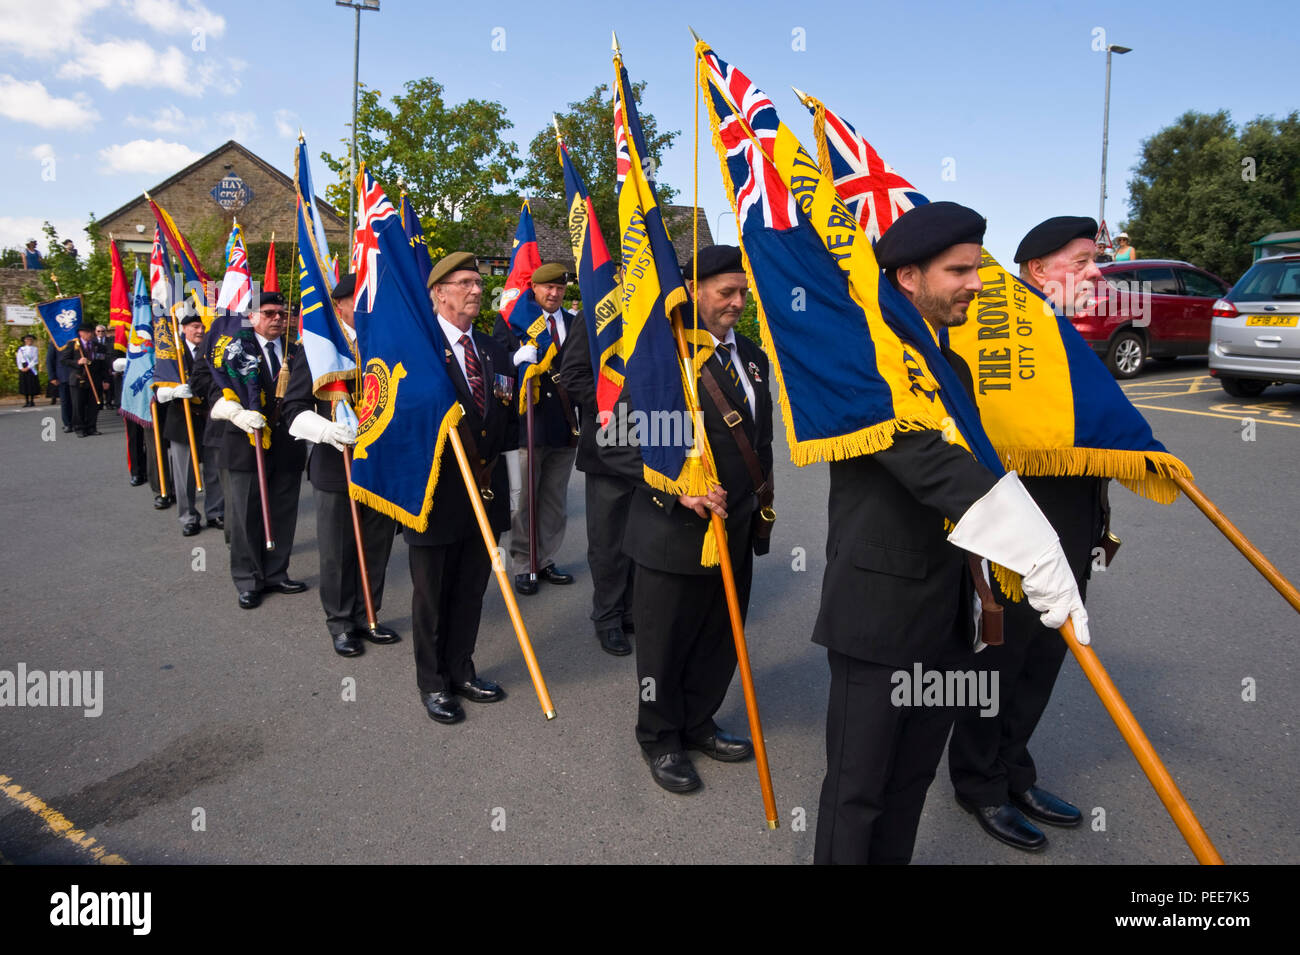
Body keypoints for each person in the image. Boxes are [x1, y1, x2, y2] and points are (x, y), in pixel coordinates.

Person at [811, 202, 1090, 865]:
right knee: (858, 790)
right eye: (960, 270)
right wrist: (1029, 538)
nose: (976, 282)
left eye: (976, 267)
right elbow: (925, 460)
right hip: (877, 614)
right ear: (908, 276)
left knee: (910, 780)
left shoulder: (951, 366)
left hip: (948, 612)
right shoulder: (868, 355)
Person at [947, 216, 1109, 852]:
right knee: (1001, 661)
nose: (1097, 274)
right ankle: (979, 783)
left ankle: (1016, 771)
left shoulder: (1063, 338)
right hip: (1014, 536)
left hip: (1069, 530)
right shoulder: (999, 340)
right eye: (1082, 261)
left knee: (1044, 659)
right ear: (1038, 271)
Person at [602, 245, 774, 794]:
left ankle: (699, 722)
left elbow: (759, 438)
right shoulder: (661, 355)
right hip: (673, 531)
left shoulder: (750, 354)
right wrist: (683, 492)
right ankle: (659, 737)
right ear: (694, 292)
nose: (738, 303)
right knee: (665, 643)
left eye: (742, 292)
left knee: (720, 635)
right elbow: (617, 442)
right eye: (726, 292)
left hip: (737, 523)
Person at [405, 252, 518, 725]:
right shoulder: (418, 349)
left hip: (485, 488)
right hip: (436, 492)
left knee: (471, 587)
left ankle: (462, 668)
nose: (476, 289)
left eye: (478, 282)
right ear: (439, 292)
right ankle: (433, 682)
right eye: (466, 282)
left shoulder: (492, 348)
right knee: (433, 592)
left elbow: (504, 418)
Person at [282, 273, 401, 658]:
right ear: (340, 306)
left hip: (380, 463)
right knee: (338, 549)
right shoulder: (318, 348)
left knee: (376, 545)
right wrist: (325, 430)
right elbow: (293, 409)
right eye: (358, 299)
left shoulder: (383, 343)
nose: (366, 306)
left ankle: (370, 614)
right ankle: (340, 622)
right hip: (337, 465)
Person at [192, 291, 308, 610]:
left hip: (287, 444)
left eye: (282, 314)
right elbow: (205, 383)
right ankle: (248, 578)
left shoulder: (296, 350)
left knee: (283, 512)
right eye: (269, 313)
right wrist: (233, 411)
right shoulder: (232, 348)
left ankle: (276, 572)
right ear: (252, 316)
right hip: (245, 442)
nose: (278, 319)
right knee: (246, 514)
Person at [493, 262, 579, 596]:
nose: (554, 293)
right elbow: (497, 373)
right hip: (527, 423)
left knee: (554, 499)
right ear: (534, 288)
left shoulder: (574, 323)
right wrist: (516, 362)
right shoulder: (513, 323)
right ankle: (523, 563)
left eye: (559, 288)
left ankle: (544, 559)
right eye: (547, 288)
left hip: (564, 424)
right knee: (524, 499)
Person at [557, 293, 636, 656]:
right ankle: (607, 618)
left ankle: (634, 609)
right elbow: (572, 374)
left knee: (645, 535)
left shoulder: (664, 310)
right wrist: (616, 409)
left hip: (659, 440)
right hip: (610, 443)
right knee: (609, 541)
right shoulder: (599, 314)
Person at [155, 309, 223, 537]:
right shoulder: (172, 353)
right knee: (185, 475)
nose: (200, 330)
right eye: (194, 327)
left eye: (202, 327)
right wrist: (173, 391)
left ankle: (215, 512)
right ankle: (189, 517)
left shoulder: (212, 349)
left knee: (214, 469)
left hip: (209, 416)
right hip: (181, 419)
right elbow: (157, 388)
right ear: (184, 329)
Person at [60, 323, 107, 436]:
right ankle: (79, 428)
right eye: (87, 332)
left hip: (94, 379)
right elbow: (64, 360)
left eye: (91, 332)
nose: (90, 334)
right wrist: (77, 362)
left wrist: (105, 380)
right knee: (78, 405)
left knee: (93, 405)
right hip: (78, 379)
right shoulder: (73, 345)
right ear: (81, 333)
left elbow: (104, 363)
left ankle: (91, 427)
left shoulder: (97, 346)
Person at [15, 334, 40, 407]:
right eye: (27, 339)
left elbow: (35, 359)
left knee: (31, 384)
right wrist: (21, 368)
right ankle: (26, 401)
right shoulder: (21, 349)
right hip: (23, 367)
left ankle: (32, 401)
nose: (29, 341)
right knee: (25, 384)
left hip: (31, 368)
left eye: (31, 339)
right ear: (25, 340)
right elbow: (18, 359)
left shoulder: (35, 349)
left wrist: (28, 367)